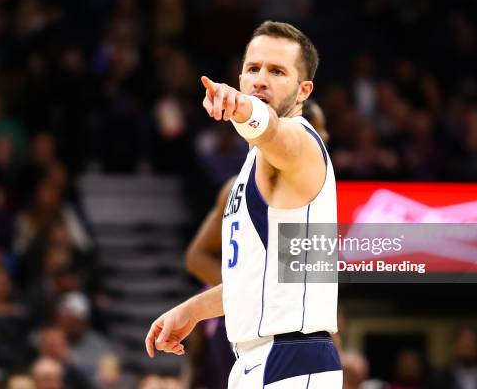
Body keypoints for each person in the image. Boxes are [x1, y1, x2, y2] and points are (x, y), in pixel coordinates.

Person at [146, 21, 341, 388]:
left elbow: (270, 128)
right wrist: (191, 310)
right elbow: (257, 280)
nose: (261, 79)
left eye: (277, 71)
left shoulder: (301, 142)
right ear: (239, 76)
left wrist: (242, 108)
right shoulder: (251, 168)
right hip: (260, 358)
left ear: (303, 91)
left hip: (291, 357)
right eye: (253, 69)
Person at [184, 99, 330, 389]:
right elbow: (196, 257)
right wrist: (241, 293)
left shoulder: (245, 183)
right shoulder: (278, 186)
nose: (324, 138)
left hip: (252, 321)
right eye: (319, 129)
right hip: (255, 324)